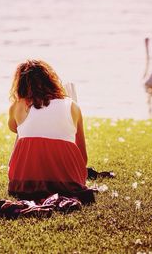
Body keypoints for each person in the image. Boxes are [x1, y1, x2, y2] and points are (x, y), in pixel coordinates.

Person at [7, 59, 93, 203]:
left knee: (23, 135)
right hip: (68, 184)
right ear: (51, 81)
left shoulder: (18, 106)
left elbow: (13, 128)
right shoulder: (72, 106)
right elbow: (83, 158)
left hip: (21, 184)